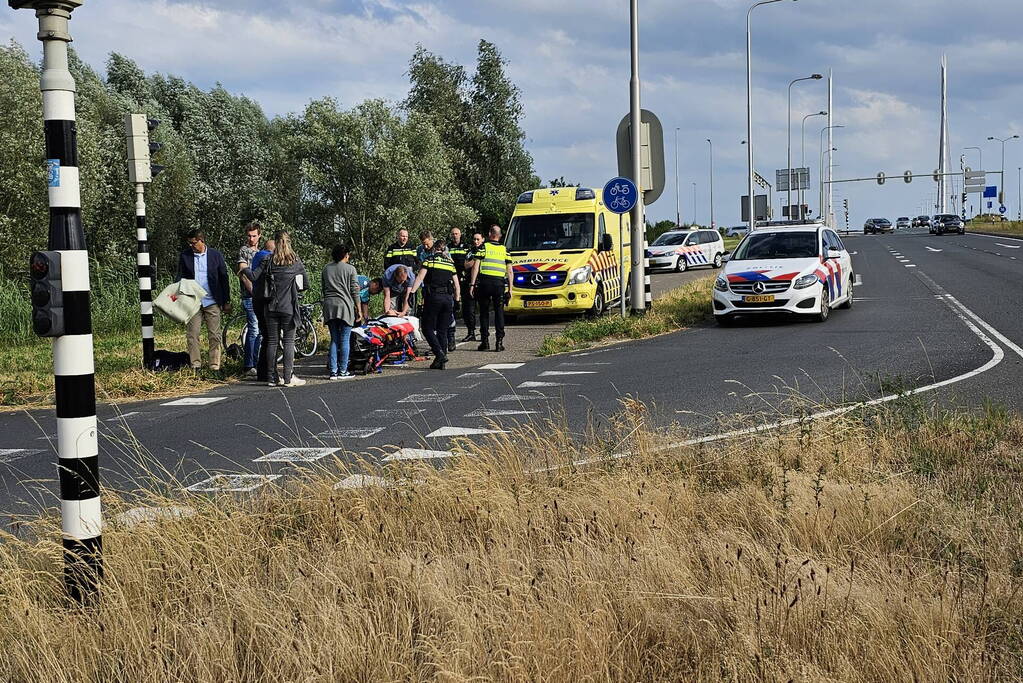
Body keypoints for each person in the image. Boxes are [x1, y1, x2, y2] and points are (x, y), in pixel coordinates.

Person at [249, 230, 308, 387]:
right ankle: (288, 378)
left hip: (270, 306)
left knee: (272, 341)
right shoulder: (295, 260)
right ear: (289, 242)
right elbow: (305, 284)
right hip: (288, 306)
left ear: (275, 242)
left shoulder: (268, 259)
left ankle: (271, 378)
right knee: (288, 341)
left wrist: (243, 269)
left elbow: (254, 276)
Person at [176, 230, 230, 371]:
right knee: (192, 334)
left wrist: (226, 300)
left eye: (193, 243)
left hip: (212, 300)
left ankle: (214, 365)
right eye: (189, 243)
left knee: (214, 335)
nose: (191, 245)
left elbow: (224, 278)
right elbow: (180, 277)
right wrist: (177, 295)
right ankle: (196, 364)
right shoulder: (185, 256)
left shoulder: (216, 255)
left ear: (202, 241)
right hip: (193, 302)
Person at [409, 240, 460, 369]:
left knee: (427, 328)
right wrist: (457, 300)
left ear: (434, 249)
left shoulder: (429, 260)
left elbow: (420, 277)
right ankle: (440, 362)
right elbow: (456, 285)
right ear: (444, 250)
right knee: (442, 330)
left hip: (434, 298)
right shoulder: (450, 264)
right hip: (448, 299)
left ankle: (439, 354)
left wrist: (412, 293)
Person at [469, 224, 513, 352]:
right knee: (499, 313)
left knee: (484, 313)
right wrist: (510, 290)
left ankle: (485, 342)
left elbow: (475, 266)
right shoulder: (505, 250)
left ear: (489, 234)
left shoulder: (483, 247)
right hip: (499, 284)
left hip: (484, 283)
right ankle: (499, 342)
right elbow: (510, 271)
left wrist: (472, 284)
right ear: (500, 236)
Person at [321, 244, 361, 380]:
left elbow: (323, 288)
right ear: (346, 255)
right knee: (345, 339)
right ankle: (343, 370)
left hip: (329, 306)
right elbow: (355, 290)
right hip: (345, 306)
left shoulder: (326, 268)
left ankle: (333, 371)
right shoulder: (350, 269)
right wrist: (359, 309)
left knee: (334, 339)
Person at [236, 222, 262, 375]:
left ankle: (257, 362)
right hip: (250, 296)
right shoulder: (244, 251)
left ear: (259, 236)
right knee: (254, 329)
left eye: (254, 236)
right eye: (249, 236)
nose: (251, 239)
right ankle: (248, 364)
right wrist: (253, 291)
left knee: (259, 331)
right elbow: (243, 274)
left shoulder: (261, 252)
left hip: (260, 296)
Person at [251, 238, 274, 382]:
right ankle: (267, 372)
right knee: (271, 337)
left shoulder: (257, 256)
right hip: (265, 301)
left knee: (265, 336)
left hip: (256, 299)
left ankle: (263, 371)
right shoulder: (267, 257)